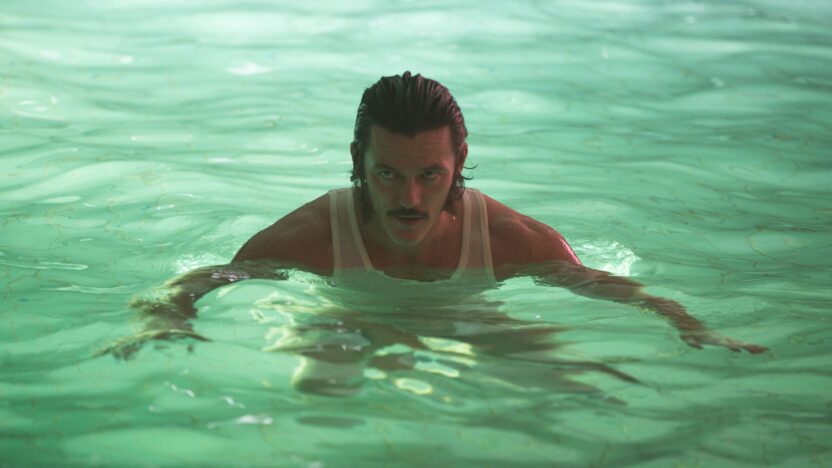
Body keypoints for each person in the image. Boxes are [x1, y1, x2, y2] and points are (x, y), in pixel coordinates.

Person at [100, 71, 767, 360]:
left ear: (460, 162)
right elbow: (207, 279)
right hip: (344, 324)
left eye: (430, 175)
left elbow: (603, 285)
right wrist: (163, 320)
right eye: (388, 173)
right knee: (325, 398)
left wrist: (690, 325)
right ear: (357, 162)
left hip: (469, 323)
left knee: (572, 386)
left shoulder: (509, 238)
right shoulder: (313, 235)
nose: (409, 199)